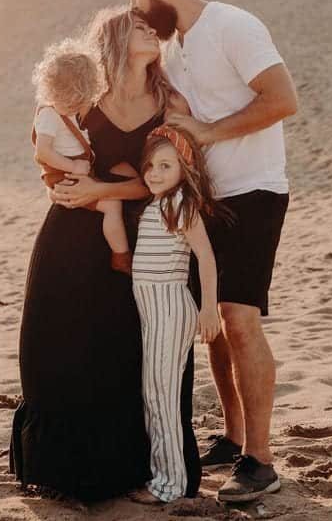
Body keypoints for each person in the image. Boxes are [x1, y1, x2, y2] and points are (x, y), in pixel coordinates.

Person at [117, 0, 298, 503]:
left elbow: (283, 99)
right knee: (213, 323)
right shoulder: (175, 50)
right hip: (206, 199)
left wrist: (209, 131)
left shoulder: (233, 25)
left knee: (240, 321)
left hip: (255, 190)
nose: (134, 6)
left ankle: (260, 461)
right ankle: (234, 436)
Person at [10, 6, 197, 501]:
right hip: (70, 236)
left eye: (152, 28)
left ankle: (134, 468)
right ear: (114, 38)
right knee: (60, 345)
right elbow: (45, 143)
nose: (152, 32)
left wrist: (99, 189)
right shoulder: (86, 98)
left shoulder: (169, 102)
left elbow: (164, 179)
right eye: (139, 27)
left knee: (126, 352)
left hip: (141, 245)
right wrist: (68, 184)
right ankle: (65, 470)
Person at [129, 125, 221, 505]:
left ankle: (169, 485)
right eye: (150, 165)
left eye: (166, 165)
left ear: (185, 167)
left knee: (161, 398)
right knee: (154, 394)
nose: (154, 173)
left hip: (169, 307)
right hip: (152, 311)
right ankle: (165, 476)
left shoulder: (180, 203)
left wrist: (209, 308)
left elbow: (206, 257)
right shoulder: (156, 204)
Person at [31, 38, 135, 274]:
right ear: (52, 91)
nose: (73, 107)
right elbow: (42, 152)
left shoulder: (69, 111)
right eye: (68, 102)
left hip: (74, 169)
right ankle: (121, 256)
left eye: (78, 102)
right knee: (112, 205)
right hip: (64, 173)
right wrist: (72, 166)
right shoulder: (48, 114)